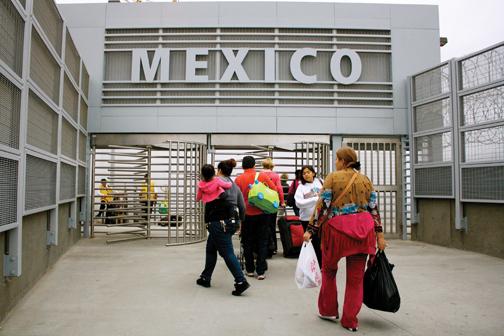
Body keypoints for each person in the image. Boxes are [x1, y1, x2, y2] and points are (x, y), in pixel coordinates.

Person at [304, 147, 387, 332]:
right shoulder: (365, 180)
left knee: (329, 271)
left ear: (343, 160)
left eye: (337, 159)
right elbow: (373, 209)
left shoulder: (333, 177)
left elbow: (323, 206)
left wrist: (311, 229)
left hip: (337, 234)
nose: (335, 162)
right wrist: (379, 235)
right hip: (363, 234)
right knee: (355, 279)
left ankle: (328, 310)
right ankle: (350, 321)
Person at [196, 161, 250, 296]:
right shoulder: (234, 185)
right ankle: (205, 277)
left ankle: (241, 281)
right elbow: (242, 206)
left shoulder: (214, 181)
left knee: (227, 253)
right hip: (231, 221)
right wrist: (241, 222)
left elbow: (200, 196)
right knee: (211, 248)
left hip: (218, 222)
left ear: (219, 170)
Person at [235, 156, 277, 280]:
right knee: (262, 241)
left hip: (246, 215)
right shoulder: (262, 176)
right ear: (254, 165)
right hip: (262, 213)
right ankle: (261, 270)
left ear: (242, 166)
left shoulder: (238, 179)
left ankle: (249, 269)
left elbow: (236, 198)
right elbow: (273, 189)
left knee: (247, 241)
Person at [294, 165, 323, 267]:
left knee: (321, 243)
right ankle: (315, 265)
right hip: (307, 220)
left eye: (308, 172)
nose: (306, 174)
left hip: (321, 219)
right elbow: (299, 203)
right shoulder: (301, 187)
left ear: (313, 173)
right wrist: (315, 200)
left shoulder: (320, 182)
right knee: (313, 243)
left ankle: (321, 265)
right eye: (304, 173)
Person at [261, 158, 285, 256]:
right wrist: (282, 201)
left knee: (262, 226)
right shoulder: (275, 176)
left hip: (261, 203)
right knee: (271, 225)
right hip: (273, 203)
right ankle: (274, 247)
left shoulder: (260, 175)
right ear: (272, 166)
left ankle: (264, 246)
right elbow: (279, 189)